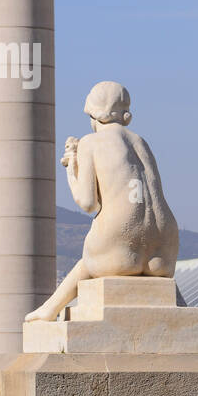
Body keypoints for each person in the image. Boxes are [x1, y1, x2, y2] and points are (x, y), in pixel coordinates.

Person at [25, 81, 179, 322]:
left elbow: (88, 203)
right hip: (164, 251)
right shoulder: (141, 143)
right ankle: (179, 308)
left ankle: (50, 308)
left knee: (87, 262)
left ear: (94, 114)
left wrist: (71, 169)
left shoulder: (90, 142)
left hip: (119, 246)